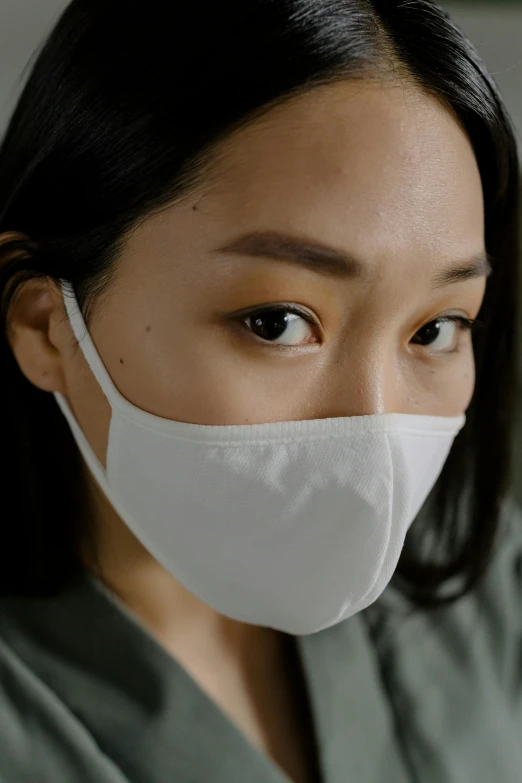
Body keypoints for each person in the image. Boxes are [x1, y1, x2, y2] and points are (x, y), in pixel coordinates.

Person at [0, 0, 521, 780]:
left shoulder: (485, 585)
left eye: (436, 328)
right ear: (47, 326)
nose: (373, 427)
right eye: (276, 322)